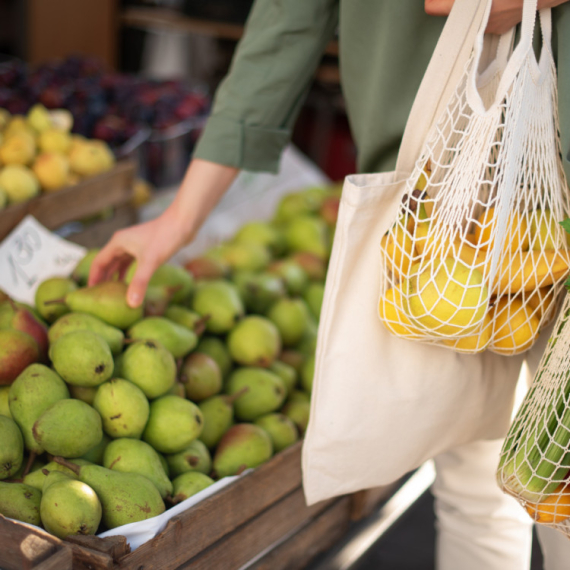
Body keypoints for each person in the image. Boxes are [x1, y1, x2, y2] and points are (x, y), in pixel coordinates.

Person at [89, 1, 570, 568]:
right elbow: (289, 17)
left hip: (460, 198)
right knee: (471, 486)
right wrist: (179, 218)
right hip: (437, 214)